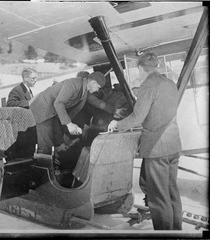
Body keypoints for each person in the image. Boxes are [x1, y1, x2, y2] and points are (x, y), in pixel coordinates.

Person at [108, 52, 182, 230]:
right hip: (174, 145)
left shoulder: (148, 85)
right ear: (156, 66)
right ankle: (176, 231)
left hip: (157, 148)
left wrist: (117, 124)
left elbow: (137, 117)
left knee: (158, 197)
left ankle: (164, 234)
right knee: (172, 193)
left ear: (141, 68)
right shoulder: (169, 82)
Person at [29, 71, 106, 155]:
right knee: (46, 141)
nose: (97, 90)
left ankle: (56, 154)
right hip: (42, 108)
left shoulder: (83, 91)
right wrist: (69, 124)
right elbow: (59, 103)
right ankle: (46, 162)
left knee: (57, 135)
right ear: (93, 82)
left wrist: (71, 125)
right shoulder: (73, 84)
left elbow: (74, 110)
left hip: (53, 110)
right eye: (98, 87)